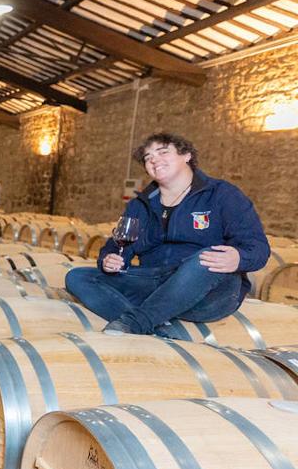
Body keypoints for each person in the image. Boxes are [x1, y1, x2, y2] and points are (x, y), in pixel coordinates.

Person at [64, 132, 269, 336]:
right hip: (155, 283)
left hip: (208, 292)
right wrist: (109, 259)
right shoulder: (140, 205)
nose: (154, 160)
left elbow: (258, 247)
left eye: (162, 152)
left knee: (207, 258)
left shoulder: (222, 194)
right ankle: (159, 328)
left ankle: (138, 322)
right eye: (148, 157)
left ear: (186, 155)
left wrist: (239, 258)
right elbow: (118, 247)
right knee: (78, 277)